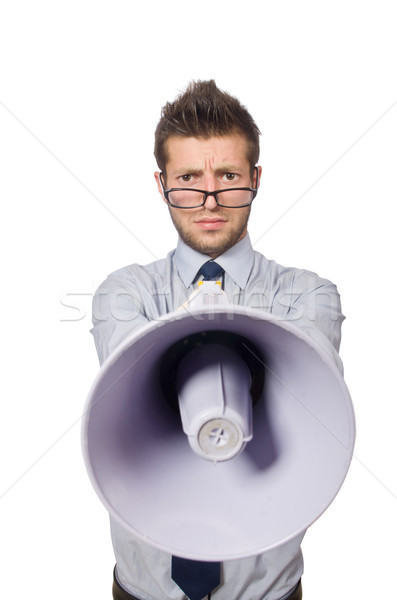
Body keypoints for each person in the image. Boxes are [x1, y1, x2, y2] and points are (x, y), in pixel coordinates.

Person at [91, 80, 344, 600]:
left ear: (255, 178)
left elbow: (306, 400)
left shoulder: (309, 295)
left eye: (227, 176)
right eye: (188, 178)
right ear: (161, 185)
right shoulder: (123, 293)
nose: (209, 199)